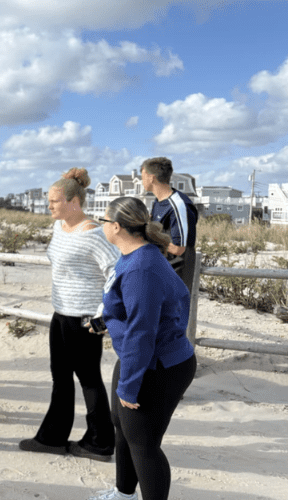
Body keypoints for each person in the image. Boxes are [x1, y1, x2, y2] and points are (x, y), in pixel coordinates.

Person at [87, 196, 197, 500]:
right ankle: (124, 494)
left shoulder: (142, 267)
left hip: (158, 365)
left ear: (118, 226)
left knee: (143, 443)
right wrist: (107, 321)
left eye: (104, 221)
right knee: (122, 428)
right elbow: (137, 313)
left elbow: (143, 332)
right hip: (138, 358)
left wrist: (130, 386)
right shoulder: (131, 255)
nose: (102, 226)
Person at [18, 168, 119, 461]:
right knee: (60, 379)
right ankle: (52, 438)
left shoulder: (95, 233)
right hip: (60, 314)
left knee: (89, 380)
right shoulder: (58, 227)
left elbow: (116, 272)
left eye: (55, 201)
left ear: (74, 201)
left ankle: (100, 443)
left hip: (84, 319)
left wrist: (102, 314)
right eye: (49, 200)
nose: (49, 206)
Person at [140, 157, 198, 294]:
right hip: (160, 269)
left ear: (151, 178)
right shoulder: (158, 202)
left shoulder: (178, 205)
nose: (141, 182)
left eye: (142, 177)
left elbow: (179, 249)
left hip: (175, 275)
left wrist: (150, 237)